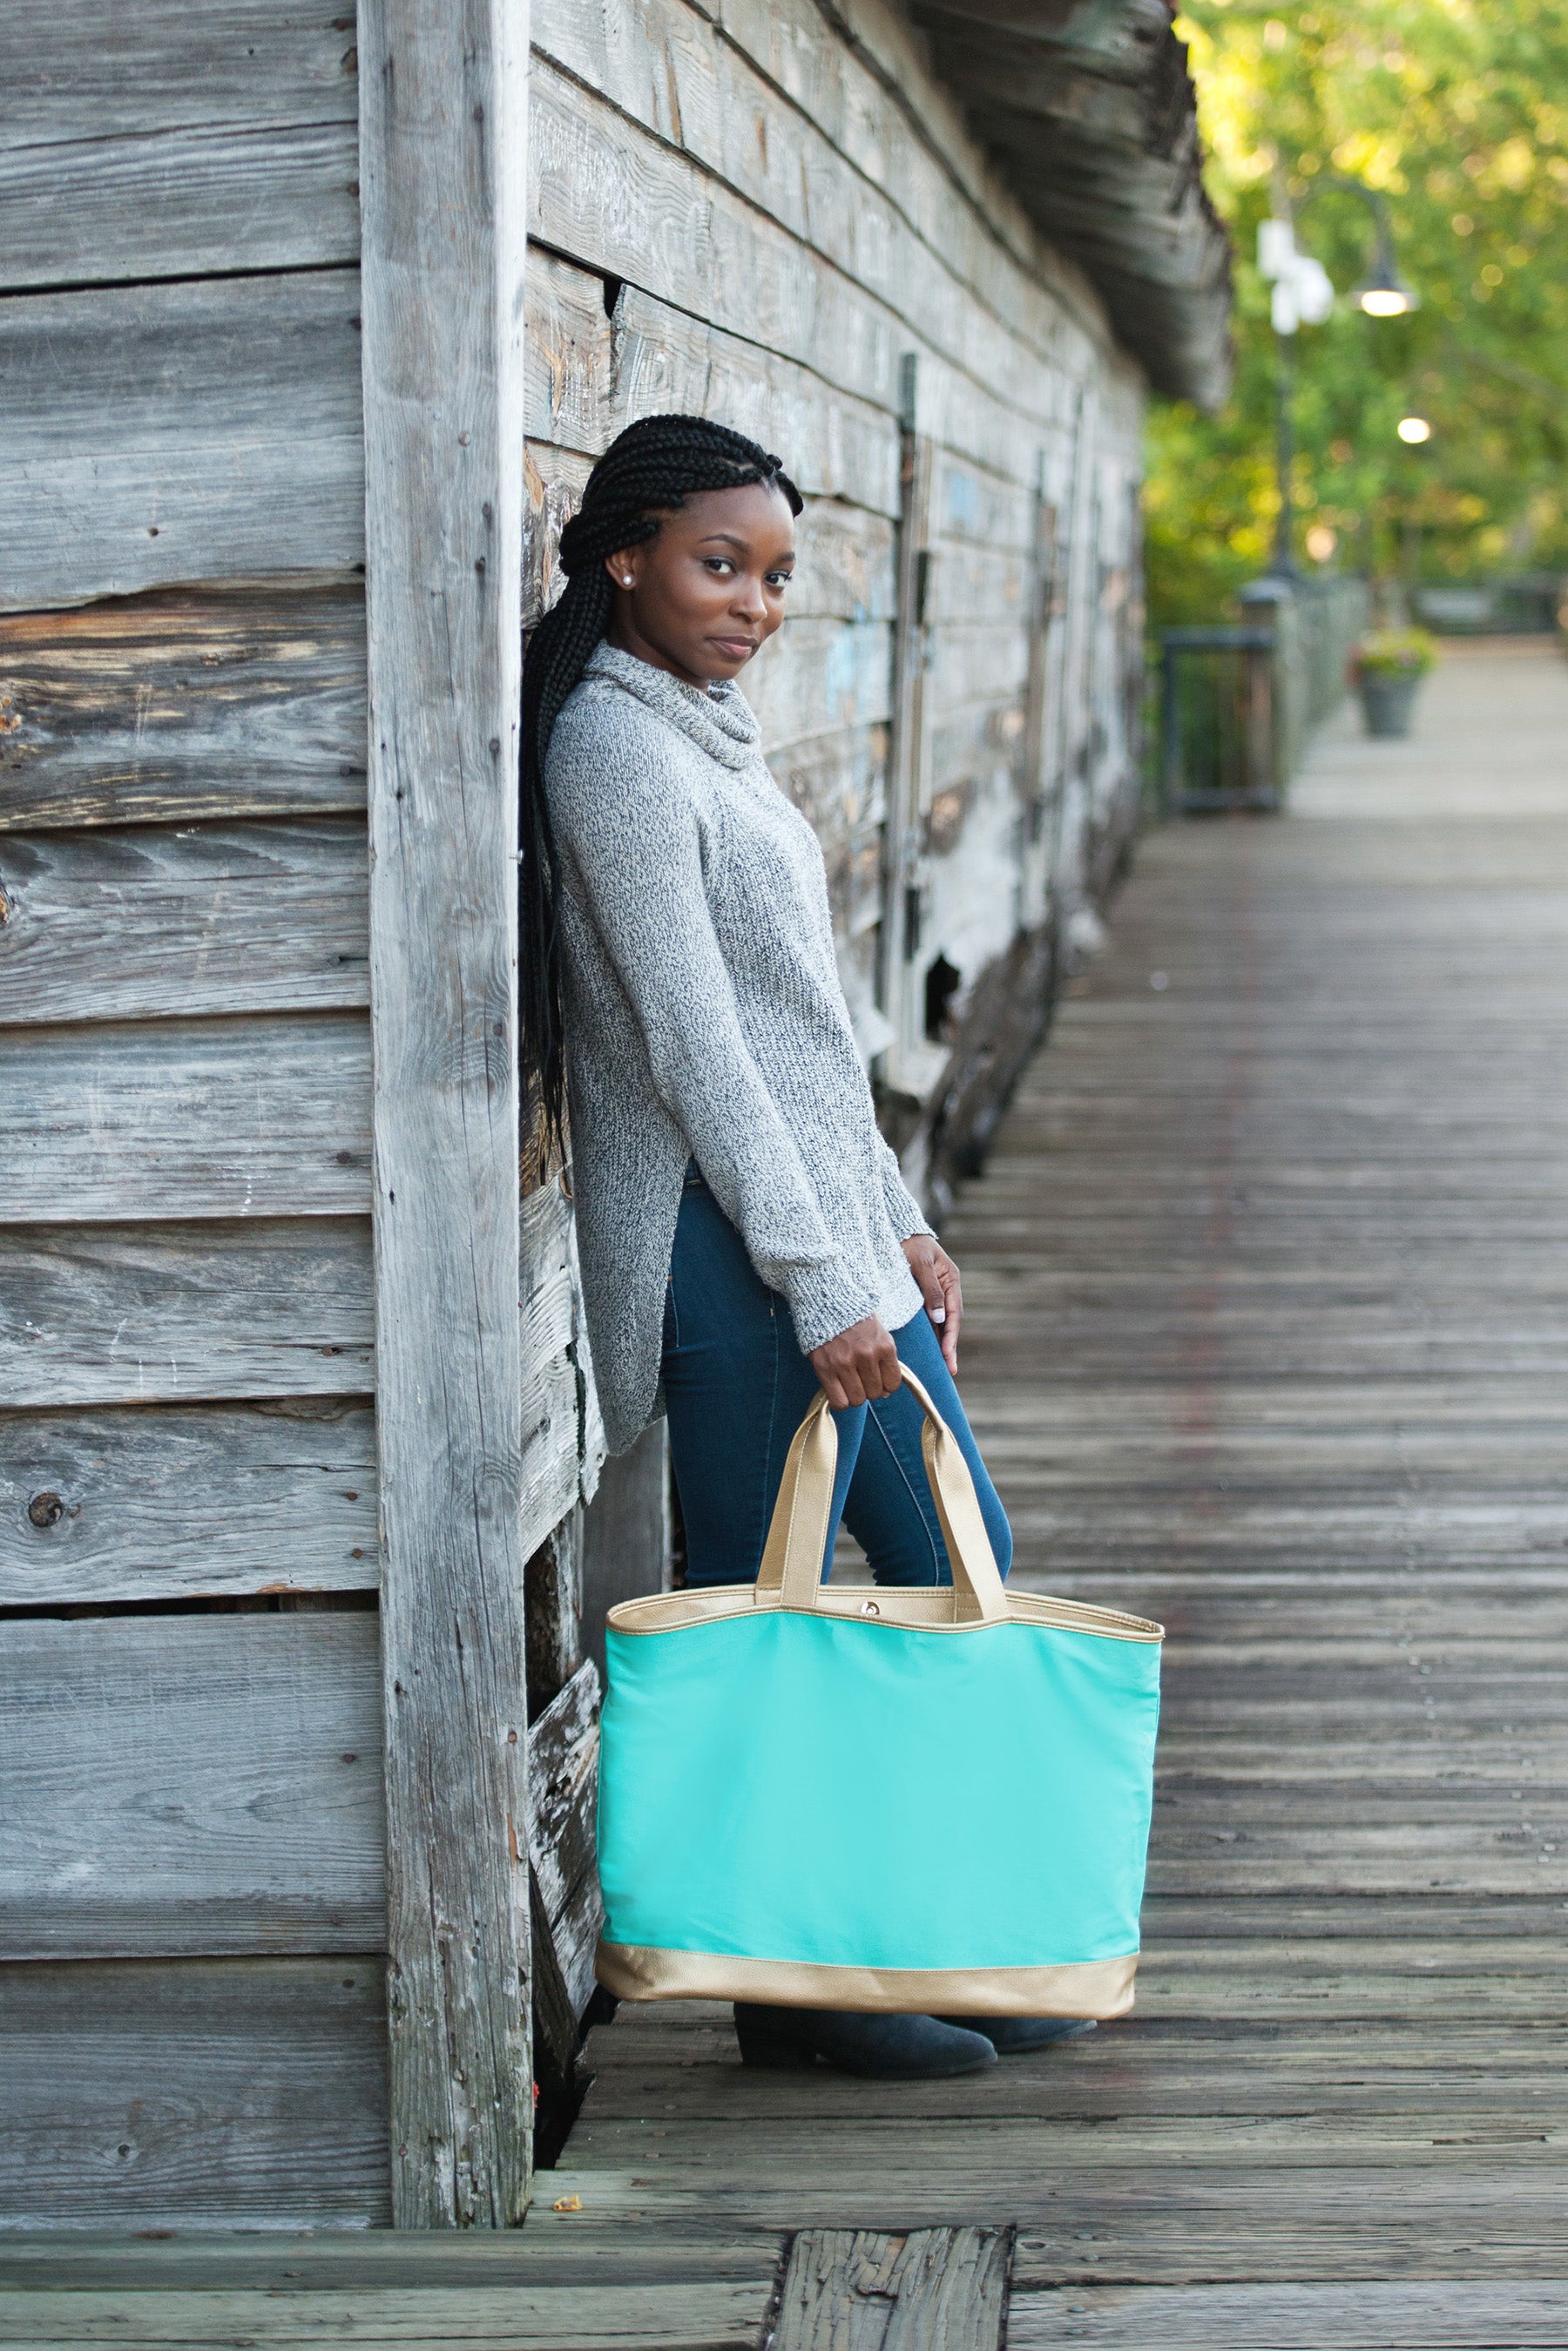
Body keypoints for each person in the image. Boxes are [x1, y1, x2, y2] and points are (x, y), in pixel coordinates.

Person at [521, 414, 1091, 2078]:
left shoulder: (709, 731)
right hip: (730, 1250)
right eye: (721, 565)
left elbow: (798, 1026)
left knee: (953, 1564)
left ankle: (933, 1940)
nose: (755, 602)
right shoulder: (611, 758)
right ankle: (779, 1996)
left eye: (776, 575)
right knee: (758, 1625)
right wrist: (824, 1273)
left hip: (826, 1234)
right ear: (623, 553)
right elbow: (697, 1055)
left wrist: (898, 1218)